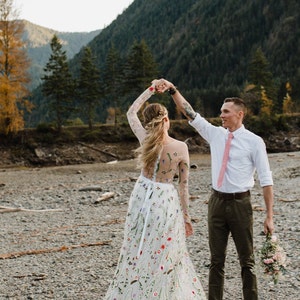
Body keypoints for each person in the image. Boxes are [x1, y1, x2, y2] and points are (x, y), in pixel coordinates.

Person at [154, 79, 275, 300]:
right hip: (216, 203)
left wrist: (269, 216)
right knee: (216, 260)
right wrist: (172, 90)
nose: (221, 115)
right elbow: (190, 112)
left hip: (241, 204)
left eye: (226, 112)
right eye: (221, 111)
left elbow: (266, 179)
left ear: (240, 114)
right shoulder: (215, 134)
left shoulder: (254, 142)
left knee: (247, 261)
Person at [104, 82, 207, 299]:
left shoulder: (145, 140)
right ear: (167, 120)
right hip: (165, 200)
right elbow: (184, 186)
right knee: (166, 250)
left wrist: (150, 90)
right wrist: (187, 218)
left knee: (138, 245)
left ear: (148, 123)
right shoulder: (181, 148)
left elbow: (131, 111)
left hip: (142, 195)